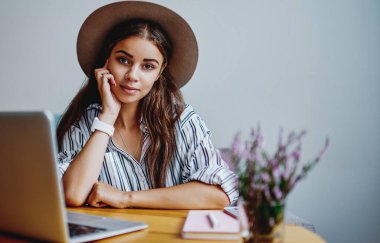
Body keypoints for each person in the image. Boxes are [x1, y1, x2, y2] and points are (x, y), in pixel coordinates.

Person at [56, 1, 238, 209]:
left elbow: (217, 194)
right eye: (123, 60)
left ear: (160, 72)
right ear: (106, 61)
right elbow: (72, 194)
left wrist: (126, 198)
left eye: (148, 66)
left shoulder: (181, 119)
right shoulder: (83, 122)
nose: (133, 76)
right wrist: (107, 118)